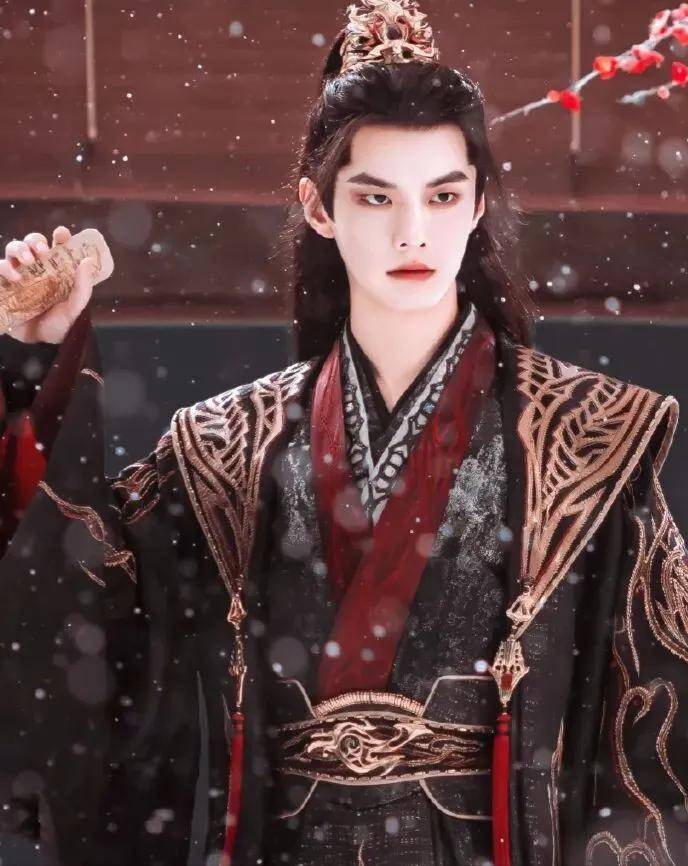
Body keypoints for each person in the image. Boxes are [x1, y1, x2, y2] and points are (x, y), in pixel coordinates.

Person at [1, 1, 687, 864]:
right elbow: (83, 617)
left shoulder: (590, 438)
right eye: (375, 195)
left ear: (479, 204)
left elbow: (656, 733)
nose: (413, 231)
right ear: (319, 207)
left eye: (443, 195)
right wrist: (46, 368)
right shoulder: (224, 446)